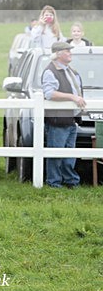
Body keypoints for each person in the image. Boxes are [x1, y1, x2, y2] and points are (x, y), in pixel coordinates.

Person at [43, 41, 86, 188]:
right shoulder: (50, 71)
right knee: (56, 153)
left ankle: (70, 181)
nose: (70, 53)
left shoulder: (71, 71)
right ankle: (54, 183)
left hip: (71, 119)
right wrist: (72, 97)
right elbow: (49, 94)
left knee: (69, 155)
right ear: (58, 54)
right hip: (57, 119)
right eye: (66, 50)